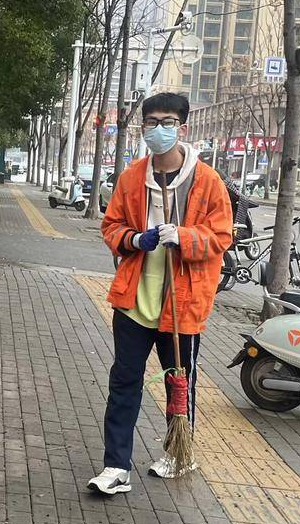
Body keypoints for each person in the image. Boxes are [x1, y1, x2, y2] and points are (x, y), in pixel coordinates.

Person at [88, 92, 232, 494]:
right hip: (135, 302)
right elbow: (111, 227)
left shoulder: (207, 182)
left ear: (182, 128)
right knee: (124, 382)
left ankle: (177, 453)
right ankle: (116, 466)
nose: (158, 130)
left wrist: (183, 237)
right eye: (151, 122)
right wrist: (136, 239)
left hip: (182, 306)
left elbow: (220, 237)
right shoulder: (132, 178)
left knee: (178, 383)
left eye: (166, 122)